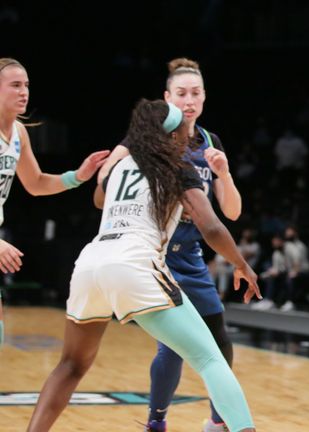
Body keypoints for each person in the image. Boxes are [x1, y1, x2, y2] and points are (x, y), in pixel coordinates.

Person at [27, 99, 258, 432]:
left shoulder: (123, 165)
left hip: (91, 264)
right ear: (170, 134)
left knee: (71, 365)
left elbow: (99, 198)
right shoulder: (178, 166)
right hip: (134, 263)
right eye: (182, 129)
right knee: (210, 359)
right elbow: (212, 228)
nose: (187, 135)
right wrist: (241, 265)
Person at [95, 58, 242, 432]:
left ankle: (217, 422)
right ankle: (156, 422)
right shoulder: (144, 141)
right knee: (171, 347)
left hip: (190, 258)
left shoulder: (212, 144)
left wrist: (223, 174)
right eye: (181, 94)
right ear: (167, 97)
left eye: (195, 93)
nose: (189, 101)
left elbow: (232, 212)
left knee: (220, 341)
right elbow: (102, 190)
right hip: (152, 255)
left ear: (205, 97)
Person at [0, 58, 109, 348]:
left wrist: (78, 176)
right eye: (15, 85)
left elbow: (35, 183)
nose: (24, 92)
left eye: (26, 85)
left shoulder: (19, 133)